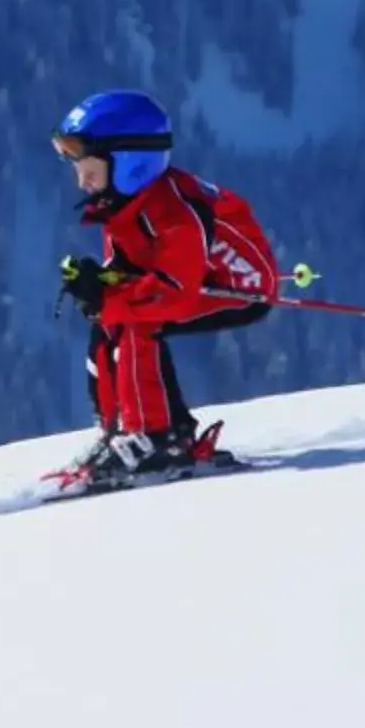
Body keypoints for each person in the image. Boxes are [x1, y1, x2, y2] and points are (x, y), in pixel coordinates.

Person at [50, 89, 279, 484]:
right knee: (110, 323)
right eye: (77, 170)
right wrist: (100, 285)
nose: (82, 182)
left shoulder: (173, 212)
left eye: (89, 169)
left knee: (140, 322)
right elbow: (133, 270)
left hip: (240, 288)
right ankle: (118, 431)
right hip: (189, 281)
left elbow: (171, 292)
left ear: (129, 163)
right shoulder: (124, 202)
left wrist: (109, 296)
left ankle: (157, 439)